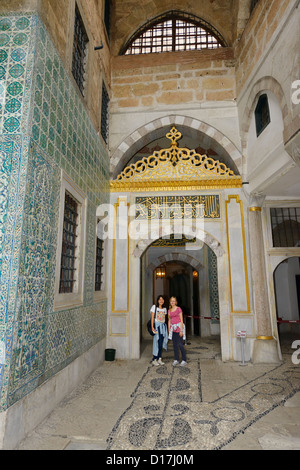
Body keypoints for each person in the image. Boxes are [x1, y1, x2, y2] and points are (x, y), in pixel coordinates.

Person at [168, 296, 187, 366]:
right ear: (170, 302)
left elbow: (181, 320)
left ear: (176, 302)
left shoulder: (179, 309)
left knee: (180, 344)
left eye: (174, 301)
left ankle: (184, 360)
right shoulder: (169, 310)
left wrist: (181, 330)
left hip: (179, 328)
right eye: (171, 301)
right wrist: (169, 330)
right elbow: (169, 320)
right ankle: (176, 359)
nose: (172, 302)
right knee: (174, 345)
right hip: (173, 329)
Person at [150, 295, 168, 366]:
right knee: (156, 343)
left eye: (162, 299)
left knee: (161, 342)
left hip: (163, 328)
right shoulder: (154, 307)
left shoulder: (165, 309)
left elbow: (164, 318)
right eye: (160, 299)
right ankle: (154, 359)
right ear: (157, 300)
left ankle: (159, 358)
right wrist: (152, 327)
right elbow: (152, 318)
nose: (161, 301)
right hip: (157, 327)